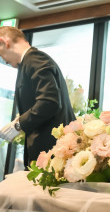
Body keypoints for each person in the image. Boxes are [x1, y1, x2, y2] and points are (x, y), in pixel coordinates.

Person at [0, 26, 76, 167]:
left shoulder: (34, 59)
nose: (4, 60)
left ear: (4, 42)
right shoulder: (29, 62)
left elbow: (49, 101)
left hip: (52, 150)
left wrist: (18, 125)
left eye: (0, 53)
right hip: (49, 150)